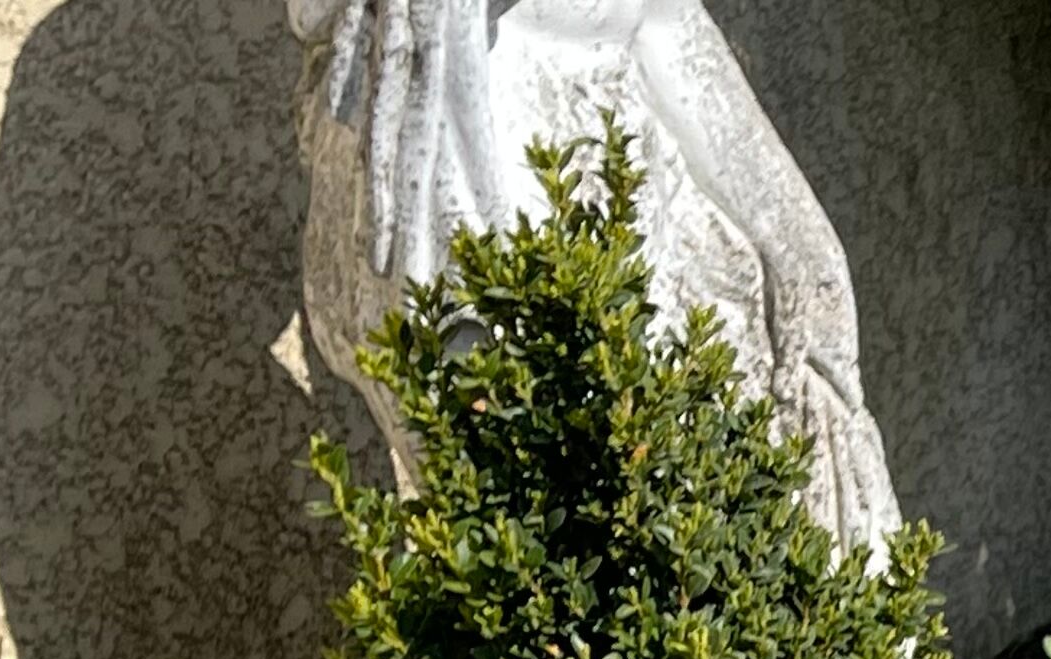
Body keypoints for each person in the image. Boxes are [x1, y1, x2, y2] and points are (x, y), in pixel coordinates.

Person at [291, 0, 903, 555]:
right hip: (469, 125)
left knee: (803, 372)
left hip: (632, 87)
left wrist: (793, 235)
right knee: (555, 515)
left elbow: (662, 20)